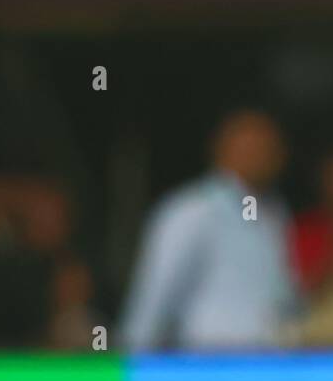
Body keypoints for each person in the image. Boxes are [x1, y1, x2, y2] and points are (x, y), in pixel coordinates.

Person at [119, 110, 297, 350]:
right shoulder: (190, 211)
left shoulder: (277, 213)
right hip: (206, 365)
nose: (258, 156)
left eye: (266, 148)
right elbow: (153, 299)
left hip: (269, 367)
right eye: (249, 148)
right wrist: (133, 364)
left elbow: (281, 293)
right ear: (221, 151)